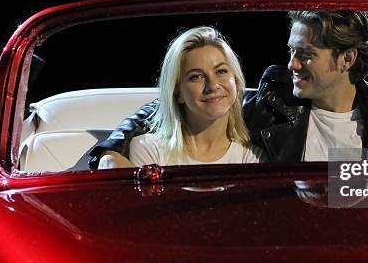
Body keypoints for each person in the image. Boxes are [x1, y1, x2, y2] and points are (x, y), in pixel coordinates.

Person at [91, 11, 368, 168]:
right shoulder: (274, 105)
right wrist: (110, 150)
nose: (292, 65)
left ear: (347, 59)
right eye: (291, 52)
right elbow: (181, 107)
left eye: (307, 55)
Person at [98, 26, 263, 169]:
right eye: (196, 76)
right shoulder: (148, 149)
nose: (212, 85)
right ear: (178, 93)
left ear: (237, 81)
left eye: (221, 71)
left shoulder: (254, 157)